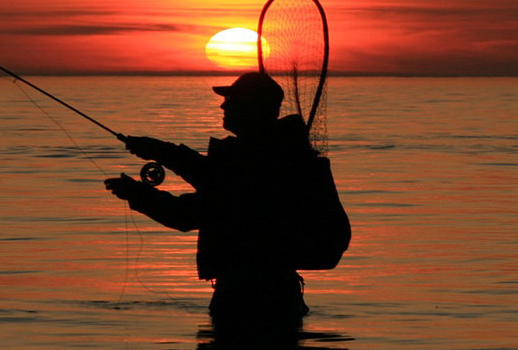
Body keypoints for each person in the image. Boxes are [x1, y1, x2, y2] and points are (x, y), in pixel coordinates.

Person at [104, 72, 349, 329]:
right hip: (276, 294)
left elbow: (191, 213)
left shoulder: (262, 162)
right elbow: (214, 179)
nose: (223, 105)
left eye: (231, 98)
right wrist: (160, 151)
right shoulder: (277, 153)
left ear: (252, 107)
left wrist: (138, 193)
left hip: (249, 298)